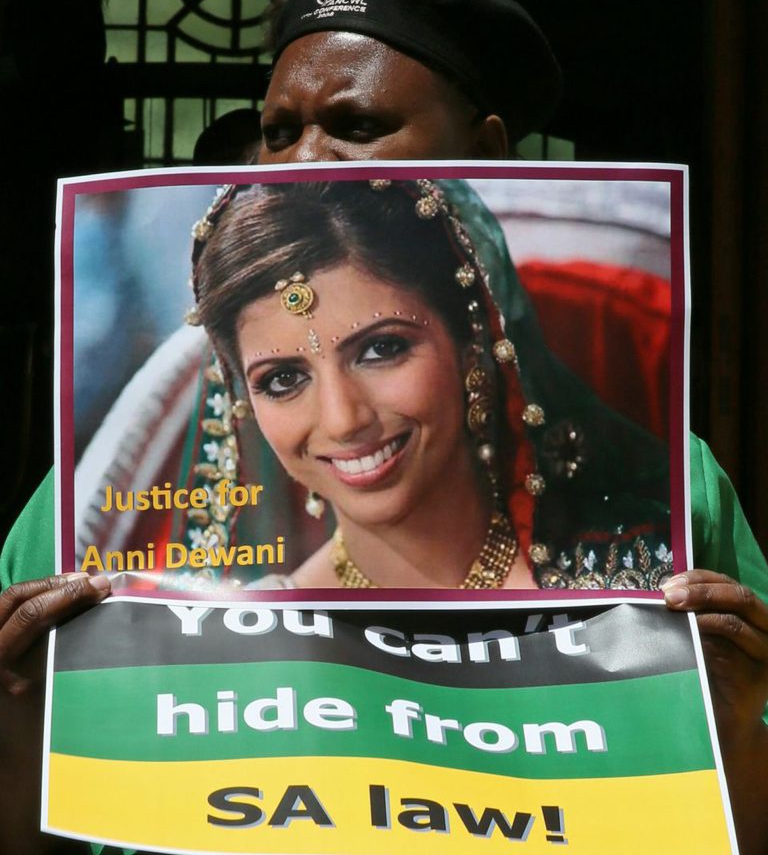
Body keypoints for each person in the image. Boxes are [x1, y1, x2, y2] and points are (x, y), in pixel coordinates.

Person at [1, 0, 767, 855]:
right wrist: (17, 716)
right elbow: (28, 845)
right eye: (280, 131)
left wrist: (736, 729)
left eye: (357, 126)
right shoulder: (109, 509)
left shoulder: (668, 502)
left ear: (484, 153)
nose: (304, 161)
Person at [188, 176, 673, 592]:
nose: (343, 421)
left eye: (381, 349)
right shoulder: (253, 640)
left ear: (471, 347)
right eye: (283, 379)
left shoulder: (639, 576)